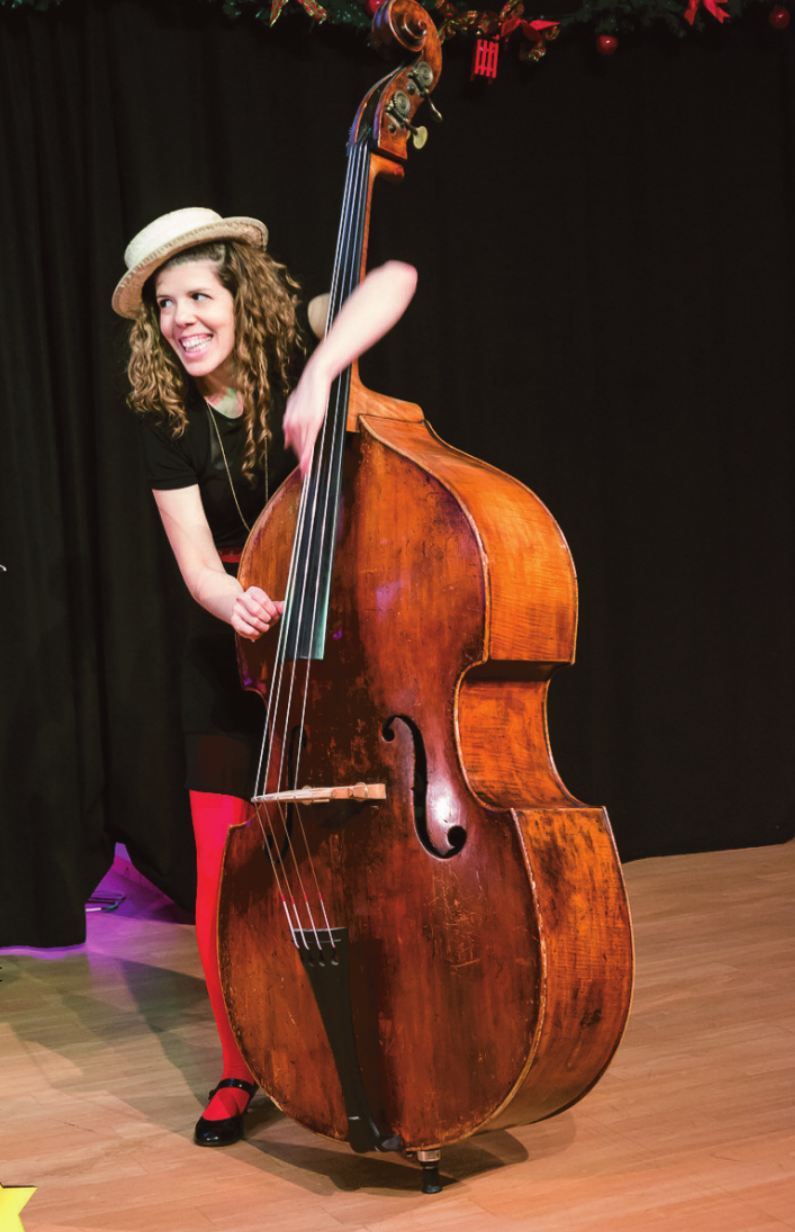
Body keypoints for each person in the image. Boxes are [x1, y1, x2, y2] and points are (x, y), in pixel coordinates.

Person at [112, 207, 416, 1147]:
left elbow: (396, 277)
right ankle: (241, 1065)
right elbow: (198, 563)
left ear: (239, 294)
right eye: (164, 305)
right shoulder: (168, 422)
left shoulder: (304, 359)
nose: (181, 319)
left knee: (364, 858)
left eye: (199, 296)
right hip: (234, 661)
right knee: (224, 879)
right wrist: (229, 601)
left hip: (346, 644)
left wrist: (324, 372)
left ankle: (383, 1037)